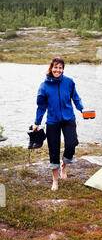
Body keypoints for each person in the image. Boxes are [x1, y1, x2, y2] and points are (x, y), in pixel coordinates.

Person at [32, 57, 84, 191]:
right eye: (55, 67)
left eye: (60, 68)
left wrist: (82, 109)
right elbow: (41, 106)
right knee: (53, 151)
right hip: (53, 121)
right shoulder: (44, 86)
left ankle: (64, 165)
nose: (57, 70)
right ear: (51, 68)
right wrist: (37, 123)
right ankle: (55, 180)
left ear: (62, 69)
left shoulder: (69, 82)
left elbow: (75, 97)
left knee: (72, 143)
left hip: (68, 119)